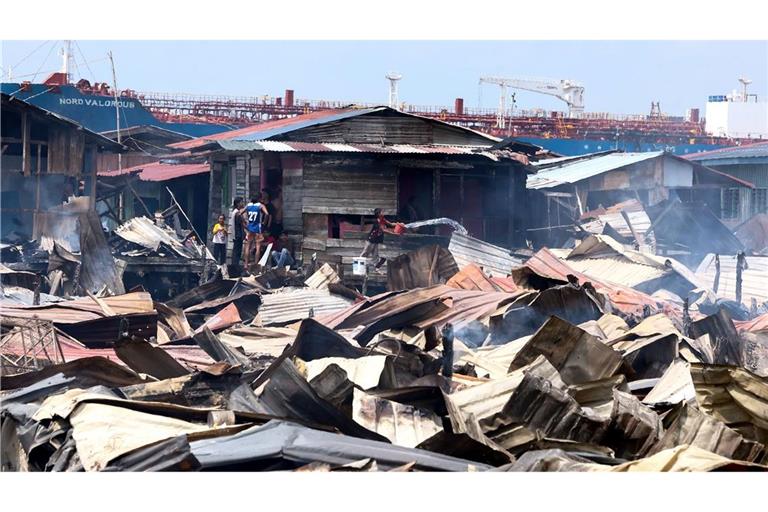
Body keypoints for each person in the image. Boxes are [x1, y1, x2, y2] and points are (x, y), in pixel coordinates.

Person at [244, 195, 269, 270]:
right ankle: (256, 264)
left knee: (248, 246)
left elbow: (240, 213)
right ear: (258, 199)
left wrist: (244, 223)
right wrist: (264, 222)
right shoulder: (260, 206)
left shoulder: (248, 206)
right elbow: (267, 214)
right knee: (258, 246)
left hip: (250, 227)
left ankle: (246, 264)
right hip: (257, 227)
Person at [229, 197, 246, 269]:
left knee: (236, 251)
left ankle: (235, 266)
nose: (243, 203)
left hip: (236, 234)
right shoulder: (237, 213)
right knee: (237, 252)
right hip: (238, 234)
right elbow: (242, 223)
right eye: (241, 202)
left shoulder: (235, 212)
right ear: (238, 203)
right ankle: (235, 267)